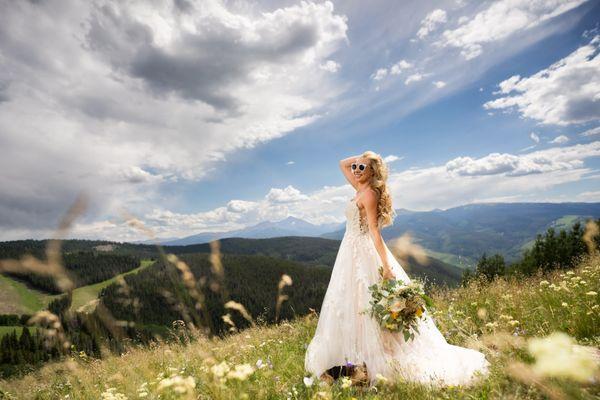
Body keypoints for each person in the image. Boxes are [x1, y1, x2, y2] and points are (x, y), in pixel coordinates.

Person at [304, 151, 489, 387]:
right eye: (357, 167)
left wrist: (386, 266)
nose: (357, 170)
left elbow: (374, 231)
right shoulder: (358, 188)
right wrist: (363, 157)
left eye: (363, 168)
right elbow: (342, 163)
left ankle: (371, 359)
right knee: (349, 301)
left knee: (365, 300)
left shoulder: (369, 194)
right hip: (348, 251)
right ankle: (355, 358)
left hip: (362, 250)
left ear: (372, 173)